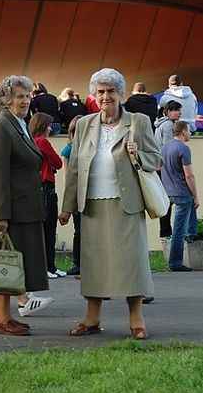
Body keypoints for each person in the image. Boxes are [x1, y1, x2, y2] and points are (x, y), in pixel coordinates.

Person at [59, 68, 162, 339]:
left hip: (126, 202)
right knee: (93, 263)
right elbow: (75, 169)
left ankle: (136, 321)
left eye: (111, 91)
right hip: (91, 202)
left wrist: (137, 155)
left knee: (132, 261)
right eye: (101, 92)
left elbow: (155, 159)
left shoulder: (139, 121)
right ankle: (91, 319)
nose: (106, 97)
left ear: (121, 94)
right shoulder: (84, 124)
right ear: (94, 95)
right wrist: (67, 207)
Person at [0, 76, 50, 335]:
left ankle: (4, 315)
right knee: (4, 264)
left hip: (23, 208)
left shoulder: (19, 124)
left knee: (14, 265)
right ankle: (0, 318)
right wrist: (0, 216)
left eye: (28, 95)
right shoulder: (0, 126)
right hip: (9, 210)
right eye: (20, 96)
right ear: (7, 100)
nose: (25, 100)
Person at [29, 112, 66, 279]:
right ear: (43, 126)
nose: (51, 128)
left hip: (37, 189)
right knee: (49, 230)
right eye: (49, 125)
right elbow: (57, 162)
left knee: (43, 231)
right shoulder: (42, 141)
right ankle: (48, 267)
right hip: (47, 189)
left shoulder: (31, 141)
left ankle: (49, 266)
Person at [161, 121, 199, 272]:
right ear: (183, 131)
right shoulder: (184, 148)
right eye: (189, 130)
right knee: (179, 230)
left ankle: (192, 233)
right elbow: (189, 175)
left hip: (167, 192)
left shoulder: (165, 148)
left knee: (181, 225)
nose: (190, 133)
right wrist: (196, 195)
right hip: (182, 192)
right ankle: (175, 262)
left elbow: (159, 167)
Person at [155, 100, 182, 239]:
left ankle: (166, 233)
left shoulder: (163, 124)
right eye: (177, 110)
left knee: (167, 201)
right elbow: (168, 149)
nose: (179, 113)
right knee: (169, 201)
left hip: (162, 167)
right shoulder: (167, 126)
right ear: (169, 111)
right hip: (166, 168)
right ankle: (166, 233)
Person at [60, 116, 83, 276]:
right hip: (77, 192)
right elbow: (68, 176)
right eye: (74, 131)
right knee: (79, 230)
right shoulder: (69, 149)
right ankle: (77, 263)